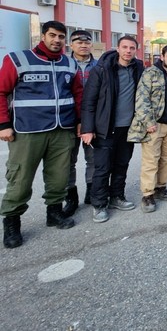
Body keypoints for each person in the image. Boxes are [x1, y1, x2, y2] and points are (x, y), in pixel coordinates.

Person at [1, 20, 83, 248]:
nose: (57, 40)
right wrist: (3, 124)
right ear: (44, 36)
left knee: (59, 176)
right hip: (27, 131)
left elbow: (78, 95)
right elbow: (1, 91)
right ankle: (12, 223)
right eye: (53, 35)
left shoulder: (69, 63)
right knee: (20, 178)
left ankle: (54, 213)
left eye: (61, 37)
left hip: (62, 129)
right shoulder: (18, 60)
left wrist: (79, 122)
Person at [81, 35, 144, 223]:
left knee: (122, 164)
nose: (128, 51)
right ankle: (99, 204)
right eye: (124, 47)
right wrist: (87, 129)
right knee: (102, 168)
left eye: (132, 48)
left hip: (128, 128)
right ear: (117, 48)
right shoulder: (101, 69)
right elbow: (88, 102)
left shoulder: (138, 68)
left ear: (136, 50)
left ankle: (117, 196)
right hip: (105, 128)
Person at [128, 44, 167, 213]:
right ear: (162, 57)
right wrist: (148, 122)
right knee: (151, 161)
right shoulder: (150, 73)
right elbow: (141, 99)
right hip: (155, 125)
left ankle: (161, 188)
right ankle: (147, 195)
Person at [62, 29, 98, 217]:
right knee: (68, 160)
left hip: (92, 121)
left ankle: (91, 193)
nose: (83, 45)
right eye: (78, 41)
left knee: (93, 158)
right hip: (68, 120)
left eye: (87, 42)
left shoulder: (99, 66)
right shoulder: (63, 64)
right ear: (71, 44)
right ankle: (71, 196)